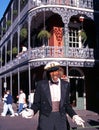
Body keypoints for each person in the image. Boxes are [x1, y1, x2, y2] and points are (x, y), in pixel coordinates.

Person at [22, 61, 85, 130]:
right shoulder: (41, 85)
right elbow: (37, 104)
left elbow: (67, 105)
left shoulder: (66, 85)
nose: (54, 74)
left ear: (59, 71)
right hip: (46, 118)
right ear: (48, 73)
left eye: (56, 71)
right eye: (51, 72)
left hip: (61, 119)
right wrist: (31, 111)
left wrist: (74, 116)